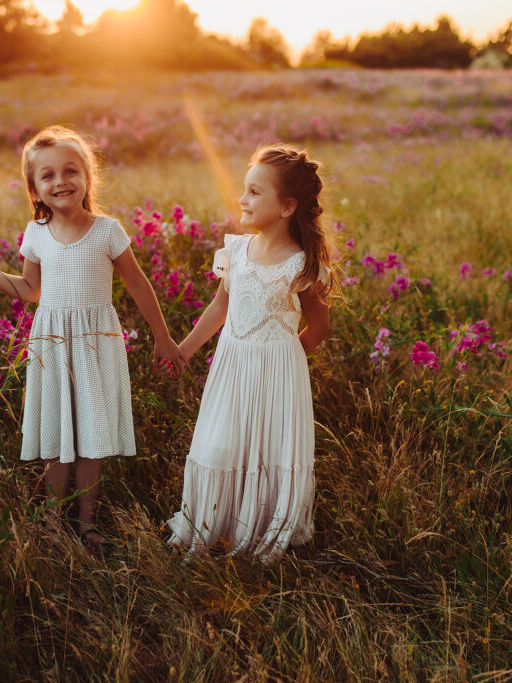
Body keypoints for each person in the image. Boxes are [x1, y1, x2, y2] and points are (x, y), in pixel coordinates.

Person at [0, 125, 184, 552]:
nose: (60, 181)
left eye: (70, 171)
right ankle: (53, 522)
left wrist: (163, 338)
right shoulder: (36, 234)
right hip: (53, 342)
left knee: (91, 435)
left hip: (97, 341)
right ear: (35, 188)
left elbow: (137, 284)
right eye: (48, 176)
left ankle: (87, 524)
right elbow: (29, 291)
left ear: (87, 178)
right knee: (59, 436)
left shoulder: (106, 231)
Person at [167, 144, 334, 562]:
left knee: (267, 448)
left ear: (286, 206)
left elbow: (320, 326)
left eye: (255, 192)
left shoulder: (301, 266)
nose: (243, 199)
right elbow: (220, 307)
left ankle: (262, 525)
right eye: (245, 189)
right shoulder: (237, 252)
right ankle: (215, 524)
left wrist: (288, 357)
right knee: (220, 444)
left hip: (277, 369)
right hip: (232, 363)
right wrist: (184, 350)